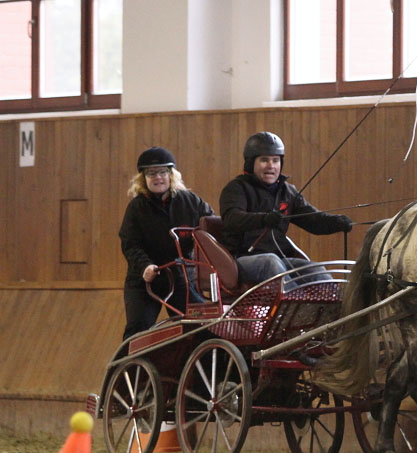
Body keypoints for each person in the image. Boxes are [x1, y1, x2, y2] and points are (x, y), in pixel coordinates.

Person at [219, 131, 353, 285]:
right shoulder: (236, 188)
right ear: (250, 163)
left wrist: (336, 222)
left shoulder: (287, 192)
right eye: (264, 160)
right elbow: (232, 219)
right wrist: (264, 219)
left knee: (316, 270)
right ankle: (298, 307)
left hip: (280, 259)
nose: (271, 166)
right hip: (241, 260)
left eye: (276, 160)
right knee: (271, 262)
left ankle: (332, 308)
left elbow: (312, 220)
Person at [119, 147, 214, 339]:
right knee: (137, 329)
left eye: (163, 172)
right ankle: (125, 366)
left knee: (201, 326)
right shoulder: (136, 208)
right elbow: (130, 243)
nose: (158, 177)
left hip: (179, 275)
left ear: (172, 175)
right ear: (143, 178)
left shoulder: (190, 201)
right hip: (145, 280)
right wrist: (145, 266)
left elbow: (211, 226)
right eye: (151, 173)